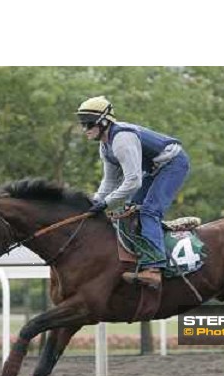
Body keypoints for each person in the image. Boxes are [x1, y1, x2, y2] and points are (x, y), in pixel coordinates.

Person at [76, 95, 190, 289]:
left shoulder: (121, 139)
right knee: (130, 210)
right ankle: (143, 259)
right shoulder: (105, 146)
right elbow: (110, 181)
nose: (84, 130)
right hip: (155, 169)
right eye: (82, 124)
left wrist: (106, 204)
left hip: (174, 164)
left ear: (104, 122)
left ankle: (154, 269)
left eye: (88, 124)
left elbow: (134, 181)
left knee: (148, 211)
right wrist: (95, 201)